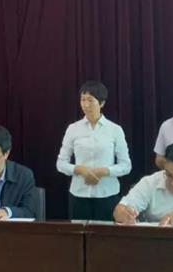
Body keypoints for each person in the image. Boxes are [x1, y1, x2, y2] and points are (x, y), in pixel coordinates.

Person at [56, 80, 131, 221]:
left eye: (90, 100)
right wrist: (80, 170)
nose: (85, 105)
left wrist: (104, 171)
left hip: (107, 194)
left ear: (102, 103)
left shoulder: (115, 130)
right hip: (79, 194)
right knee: (78, 234)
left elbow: (126, 166)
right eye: (82, 100)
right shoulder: (73, 129)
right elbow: (60, 163)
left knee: (105, 234)